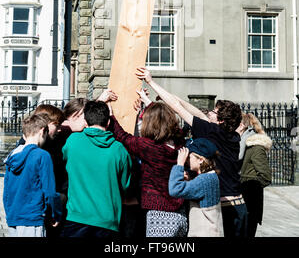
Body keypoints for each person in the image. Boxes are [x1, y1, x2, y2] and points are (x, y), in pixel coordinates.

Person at [136, 67, 248, 238]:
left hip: (225, 210)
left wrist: (151, 82)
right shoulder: (231, 136)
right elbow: (193, 111)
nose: (209, 112)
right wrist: (172, 98)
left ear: (221, 121)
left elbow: (179, 110)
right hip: (240, 206)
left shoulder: (213, 132)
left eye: (214, 112)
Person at [105, 92, 188, 238]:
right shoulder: (179, 142)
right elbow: (164, 119)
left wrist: (111, 115)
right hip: (180, 212)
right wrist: (148, 102)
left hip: (159, 216)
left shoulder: (150, 147)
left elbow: (123, 137)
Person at [61, 100, 132, 238]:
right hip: (108, 220)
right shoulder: (119, 150)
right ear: (108, 123)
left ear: (85, 122)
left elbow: (64, 160)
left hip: (77, 217)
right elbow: (125, 186)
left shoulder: (73, 141)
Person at [3, 113, 62, 237]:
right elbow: (49, 191)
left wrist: (10, 213)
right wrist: (55, 213)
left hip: (13, 218)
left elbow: (6, 192)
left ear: (24, 135)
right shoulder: (42, 155)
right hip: (32, 217)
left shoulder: (12, 155)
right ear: (42, 131)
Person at [169, 138, 224, 237]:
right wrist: (189, 181)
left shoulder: (203, 180)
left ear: (200, 160)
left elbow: (175, 190)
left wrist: (179, 164)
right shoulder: (211, 176)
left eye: (189, 157)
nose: (187, 161)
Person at [240, 113, 272, 238]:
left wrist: (248, 187)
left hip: (250, 203)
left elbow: (265, 176)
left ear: (243, 126)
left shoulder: (256, 147)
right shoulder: (241, 145)